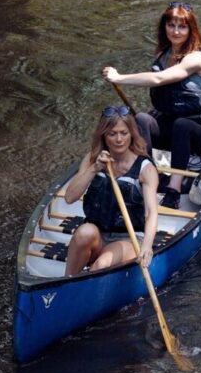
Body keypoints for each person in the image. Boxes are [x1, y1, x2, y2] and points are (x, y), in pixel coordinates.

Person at [102, 1, 201, 208]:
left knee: (181, 125)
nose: (176, 31)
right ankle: (149, 175)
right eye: (171, 25)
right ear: (165, 27)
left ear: (191, 30)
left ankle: (173, 190)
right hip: (167, 126)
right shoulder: (163, 54)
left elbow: (158, 79)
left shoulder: (196, 58)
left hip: (195, 131)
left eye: (182, 26)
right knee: (142, 119)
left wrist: (119, 77)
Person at [60, 106, 160, 276]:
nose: (119, 139)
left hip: (129, 238)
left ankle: (92, 279)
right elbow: (69, 198)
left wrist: (147, 246)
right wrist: (94, 168)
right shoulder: (93, 158)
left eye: (124, 133)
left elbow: (151, 213)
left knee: (101, 265)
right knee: (84, 232)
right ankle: (66, 281)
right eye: (112, 134)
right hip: (98, 235)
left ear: (132, 134)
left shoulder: (146, 169)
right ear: (104, 136)